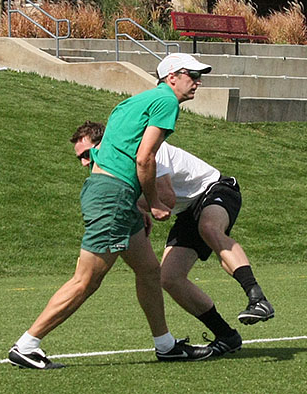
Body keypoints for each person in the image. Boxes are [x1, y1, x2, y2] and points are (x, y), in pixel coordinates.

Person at [8, 53, 214, 369]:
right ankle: (27, 344)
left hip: (112, 195)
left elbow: (116, 154)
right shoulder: (166, 103)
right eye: (192, 75)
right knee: (86, 280)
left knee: (148, 271)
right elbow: (144, 159)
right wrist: (154, 203)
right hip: (113, 197)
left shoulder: (132, 102)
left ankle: (166, 345)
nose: (197, 82)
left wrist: (132, 206)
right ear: (171, 76)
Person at [71, 121, 274, 358]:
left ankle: (257, 298)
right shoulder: (113, 168)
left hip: (215, 189)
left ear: (105, 144)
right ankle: (226, 335)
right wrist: (137, 208)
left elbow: (165, 196)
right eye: (80, 159)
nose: (85, 162)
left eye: (87, 153)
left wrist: (132, 205)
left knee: (209, 227)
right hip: (187, 210)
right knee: (169, 278)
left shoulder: (146, 147)